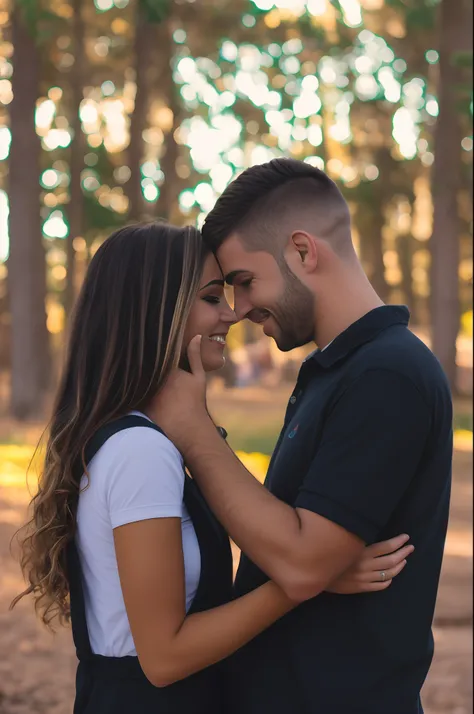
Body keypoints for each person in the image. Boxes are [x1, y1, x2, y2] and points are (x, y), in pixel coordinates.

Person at [11, 222, 412, 714]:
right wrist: (305, 580)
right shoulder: (140, 452)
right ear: (157, 313)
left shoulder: (142, 438)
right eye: (210, 298)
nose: (231, 314)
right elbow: (164, 656)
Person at [148, 159, 453, 714]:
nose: (238, 311)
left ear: (303, 252)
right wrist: (315, 565)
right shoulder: (336, 371)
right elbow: (297, 553)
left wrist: (194, 431)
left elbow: (301, 562)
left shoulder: (386, 375)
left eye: (243, 282)